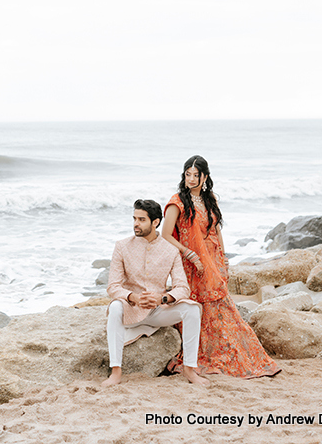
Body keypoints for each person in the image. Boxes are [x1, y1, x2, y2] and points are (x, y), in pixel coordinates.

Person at [162, 155, 280, 378]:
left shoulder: (210, 199)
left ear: (205, 177)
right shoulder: (177, 202)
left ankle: (232, 353)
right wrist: (189, 253)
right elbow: (165, 235)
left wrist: (223, 260)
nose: (191, 179)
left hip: (213, 261)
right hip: (191, 264)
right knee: (199, 306)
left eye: (196, 175)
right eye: (188, 174)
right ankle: (194, 355)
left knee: (223, 307)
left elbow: (216, 230)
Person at [102, 199, 209, 387]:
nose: (136, 223)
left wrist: (162, 298)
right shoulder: (122, 246)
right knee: (116, 306)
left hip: (158, 311)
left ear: (155, 222)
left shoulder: (171, 250)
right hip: (131, 308)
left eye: (141, 219)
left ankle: (189, 370)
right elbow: (113, 286)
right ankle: (116, 372)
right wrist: (132, 297)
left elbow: (183, 287)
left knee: (192, 309)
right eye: (134, 218)